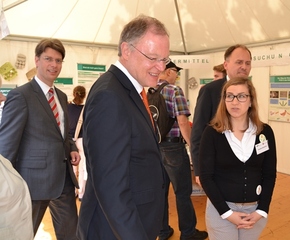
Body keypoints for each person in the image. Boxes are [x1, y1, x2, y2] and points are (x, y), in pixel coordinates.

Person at [77, 15, 169, 239]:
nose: (161, 67)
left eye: (165, 59)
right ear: (126, 50)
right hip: (114, 230)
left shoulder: (127, 89)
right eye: (153, 58)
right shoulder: (110, 96)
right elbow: (110, 186)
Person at [0, 38, 80, 239]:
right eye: (48, 59)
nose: (54, 65)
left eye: (58, 60)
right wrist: (8, 187)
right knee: (22, 235)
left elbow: (63, 133)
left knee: (71, 234)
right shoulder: (21, 96)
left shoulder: (61, 96)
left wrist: (71, 147)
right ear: (36, 60)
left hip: (63, 180)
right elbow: (6, 145)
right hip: (32, 183)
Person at [199, 77, 277, 239]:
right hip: (221, 210)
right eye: (230, 96)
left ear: (251, 101)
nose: (235, 102)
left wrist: (261, 210)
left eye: (241, 96)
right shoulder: (212, 133)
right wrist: (227, 213)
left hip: (254, 212)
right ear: (224, 100)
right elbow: (206, 177)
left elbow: (269, 174)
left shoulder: (264, 132)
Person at [156, 61, 208, 240]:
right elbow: (183, 122)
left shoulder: (149, 91)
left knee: (160, 191)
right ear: (169, 71)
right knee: (182, 191)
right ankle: (188, 232)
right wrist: (193, 146)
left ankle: (162, 230)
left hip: (155, 147)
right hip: (174, 147)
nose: (176, 76)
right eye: (175, 73)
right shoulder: (174, 91)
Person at [191, 44, 252, 186]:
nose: (244, 66)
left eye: (247, 63)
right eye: (239, 62)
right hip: (217, 167)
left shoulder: (250, 91)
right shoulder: (210, 91)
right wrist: (199, 171)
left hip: (244, 166)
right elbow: (198, 132)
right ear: (226, 64)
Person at [68, 85, 87, 200]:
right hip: (82, 140)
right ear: (84, 95)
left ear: (74, 93)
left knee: (72, 167)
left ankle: (72, 192)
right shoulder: (87, 109)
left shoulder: (66, 107)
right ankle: (81, 193)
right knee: (83, 168)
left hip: (70, 140)